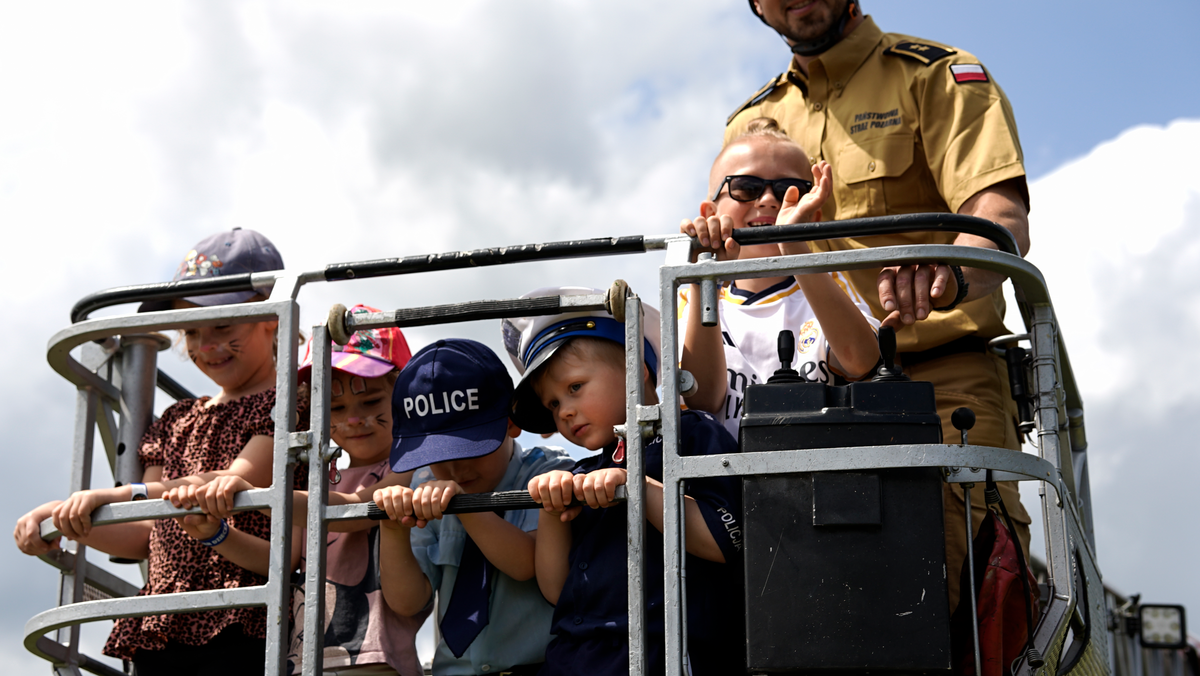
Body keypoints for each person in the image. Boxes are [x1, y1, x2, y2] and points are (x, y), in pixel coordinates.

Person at [727, 0, 1032, 611]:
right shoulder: (753, 121)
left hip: (936, 381)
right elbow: (741, 259)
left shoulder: (936, 76)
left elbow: (1000, 220)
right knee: (798, 597)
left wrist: (947, 271)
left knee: (952, 595)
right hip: (802, 392)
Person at [12, 228, 306, 674]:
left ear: (271, 315)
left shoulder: (287, 403)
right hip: (163, 621)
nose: (206, 346)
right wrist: (68, 522)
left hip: (243, 617)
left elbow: (233, 479)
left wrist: (113, 495)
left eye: (222, 325)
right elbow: (144, 528)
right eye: (191, 331)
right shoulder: (176, 420)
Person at [163, 306, 428, 676]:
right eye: (336, 407)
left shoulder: (410, 468)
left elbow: (346, 512)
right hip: (304, 660)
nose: (353, 419)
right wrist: (216, 534)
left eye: (370, 401)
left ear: (405, 396)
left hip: (373, 658)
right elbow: (282, 560)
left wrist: (258, 496)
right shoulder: (322, 479)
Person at [506, 289, 744, 676]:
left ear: (637, 368)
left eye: (574, 387)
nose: (564, 412)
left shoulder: (691, 434)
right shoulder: (580, 473)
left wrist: (637, 487)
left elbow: (725, 541)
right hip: (574, 661)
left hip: (667, 655)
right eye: (553, 404)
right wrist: (550, 510)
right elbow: (556, 590)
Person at [372, 338, 575, 676]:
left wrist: (465, 507)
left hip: (541, 668)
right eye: (437, 456)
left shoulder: (547, 475)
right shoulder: (425, 485)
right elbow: (407, 602)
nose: (455, 469)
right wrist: (392, 526)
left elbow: (527, 565)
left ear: (510, 422)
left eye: (470, 448)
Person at [679, 116, 884, 437]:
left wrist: (793, 244)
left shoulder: (829, 282)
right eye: (746, 187)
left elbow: (861, 361)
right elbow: (702, 398)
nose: (768, 200)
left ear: (813, 216)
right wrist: (705, 278)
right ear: (710, 214)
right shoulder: (692, 292)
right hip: (725, 467)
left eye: (788, 190)